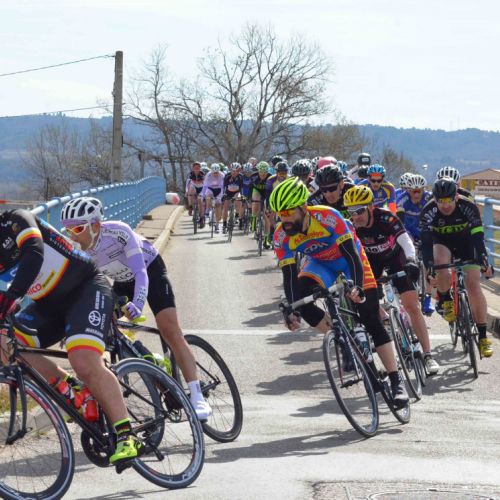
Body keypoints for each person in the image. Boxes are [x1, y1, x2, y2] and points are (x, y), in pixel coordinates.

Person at [0, 208, 143, 464]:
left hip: (85, 288)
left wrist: (10, 299)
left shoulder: (15, 220)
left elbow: (34, 253)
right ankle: (73, 389)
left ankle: (126, 434)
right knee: (10, 346)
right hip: (47, 305)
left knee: (83, 360)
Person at [60, 197, 213, 419]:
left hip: (150, 271)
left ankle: (197, 396)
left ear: (95, 225)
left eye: (77, 229)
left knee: (169, 329)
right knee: (103, 328)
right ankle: (149, 361)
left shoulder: (118, 232)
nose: (72, 236)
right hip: (122, 282)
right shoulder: (77, 250)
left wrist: (138, 304)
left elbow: (140, 272)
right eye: (68, 230)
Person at [269, 177, 409, 407]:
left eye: (287, 212)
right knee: (302, 302)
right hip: (320, 264)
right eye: (279, 214)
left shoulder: (328, 217)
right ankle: (343, 339)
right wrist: (292, 309)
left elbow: (352, 256)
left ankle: (396, 380)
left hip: (348, 260)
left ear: (303, 207)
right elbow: (289, 276)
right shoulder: (281, 236)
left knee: (370, 317)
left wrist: (356, 286)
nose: (283, 219)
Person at [345, 185, 440, 375]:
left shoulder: (386, 218)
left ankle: (428, 355)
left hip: (396, 258)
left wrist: (411, 260)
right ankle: (385, 318)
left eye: (359, 211)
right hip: (372, 262)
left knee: (412, 305)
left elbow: (406, 241)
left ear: (370, 207)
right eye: (351, 212)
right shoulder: (351, 226)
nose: (356, 217)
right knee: (365, 301)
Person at [420, 178, 494, 357]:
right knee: (440, 264)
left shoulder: (468, 206)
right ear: (434, 199)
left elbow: (478, 236)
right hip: (442, 242)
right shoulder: (428, 211)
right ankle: (446, 299)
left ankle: (483, 337)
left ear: (456, 197)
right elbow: (426, 242)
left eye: (449, 200)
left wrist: (483, 258)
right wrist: (429, 266)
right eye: (440, 201)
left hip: (466, 242)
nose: (445, 205)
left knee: (473, 285)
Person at [396, 174, 435, 315]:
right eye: (414, 191)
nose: (417, 194)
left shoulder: (429, 198)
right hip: (409, 230)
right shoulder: (402, 200)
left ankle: (428, 298)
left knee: (429, 263)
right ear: (408, 190)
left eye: (420, 191)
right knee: (408, 247)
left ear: (424, 189)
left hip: (425, 230)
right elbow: (399, 221)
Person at [202, 163, 225, 233]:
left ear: (219, 171)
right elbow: (205, 186)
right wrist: (203, 195)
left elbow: (224, 186)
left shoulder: (222, 175)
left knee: (218, 206)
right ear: (211, 171)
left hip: (219, 190)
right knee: (208, 196)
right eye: (214, 173)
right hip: (210, 189)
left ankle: (217, 225)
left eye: (217, 172)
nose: (215, 174)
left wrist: (223, 195)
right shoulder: (208, 175)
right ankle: (207, 210)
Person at [222, 162, 244, 233]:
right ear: (230, 170)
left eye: (236, 171)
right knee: (225, 207)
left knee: (239, 199)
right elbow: (224, 187)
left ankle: (237, 214)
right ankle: (224, 224)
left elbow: (242, 188)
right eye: (233, 171)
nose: (234, 172)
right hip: (228, 192)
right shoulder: (227, 176)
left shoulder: (240, 177)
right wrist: (224, 194)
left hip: (237, 192)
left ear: (238, 171)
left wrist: (242, 196)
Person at [185, 161, 205, 228]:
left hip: (201, 189)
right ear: (193, 169)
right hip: (193, 188)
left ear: (200, 168)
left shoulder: (202, 175)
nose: (196, 170)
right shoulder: (190, 175)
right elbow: (187, 185)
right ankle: (190, 206)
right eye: (195, 168)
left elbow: (205, 185)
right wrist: (187, 192)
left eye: (198, 168)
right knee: (190, 192)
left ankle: (201, 218)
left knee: (200, 201)